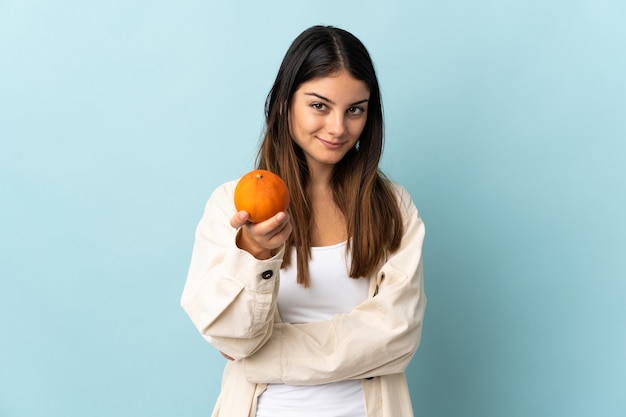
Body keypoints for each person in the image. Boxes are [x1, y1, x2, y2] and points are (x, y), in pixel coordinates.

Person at [181, 25, 426, 417]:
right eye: (319, 106)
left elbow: (397, 337)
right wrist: (256, 254)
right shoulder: (230, 205)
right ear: (283, 102)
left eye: (355, 110)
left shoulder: (393, 207)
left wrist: (265, 357)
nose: (338, 128)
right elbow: (230, 334)